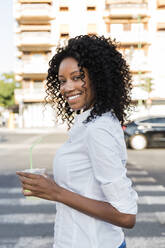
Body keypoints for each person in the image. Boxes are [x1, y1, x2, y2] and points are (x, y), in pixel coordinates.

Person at [17, 35, 138, 248]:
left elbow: (126, 216)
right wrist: (51, 185)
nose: (67, 87)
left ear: (98, 76)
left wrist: (55, 192)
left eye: (77, 77)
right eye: (62, 81)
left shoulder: (98, 128)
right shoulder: (91, 121)